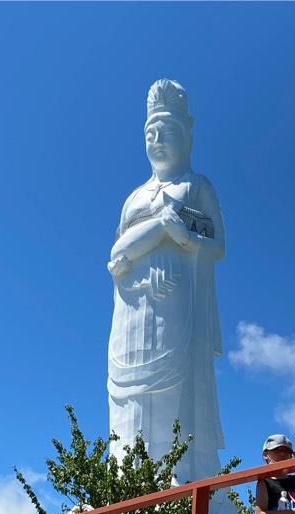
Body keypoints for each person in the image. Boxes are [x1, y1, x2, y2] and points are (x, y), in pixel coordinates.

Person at [106, 79, 226, 489]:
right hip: (131, 309)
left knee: (173, 386)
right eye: (150, 133)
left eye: (167, 132)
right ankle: (122, 478)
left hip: (176, 302)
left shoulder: (196, 186)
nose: (157, 140)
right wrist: (147, 242)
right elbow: (116, 250)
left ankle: (176, 471)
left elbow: (218, 245)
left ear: (187, 137)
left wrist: (184, 239)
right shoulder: (134, 196)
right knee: (126, 393)